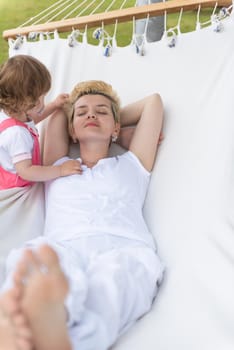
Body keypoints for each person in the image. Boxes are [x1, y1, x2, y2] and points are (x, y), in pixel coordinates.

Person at [0, 80, 164, 350]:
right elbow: (58, 113)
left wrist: (114, 126)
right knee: (32, 261)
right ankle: (32, 320)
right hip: (63, 246)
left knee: (115, 282)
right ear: (71, 131)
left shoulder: (134, 164)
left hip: (124, 247)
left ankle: (63, 340)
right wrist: (101, 119)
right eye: (82, 112)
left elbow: (153, 103)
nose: (91, 115)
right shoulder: (57, 165)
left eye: (101, 111)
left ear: (116, 125)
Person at [0, 55, 81, 190]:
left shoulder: (13, 114)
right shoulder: (17, 134)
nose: (43, 101)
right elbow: (27, 172)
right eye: (42, 97)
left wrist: (54, 105)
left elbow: (33, 120)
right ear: (30, 103)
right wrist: (60, 170)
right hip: (17, 189)